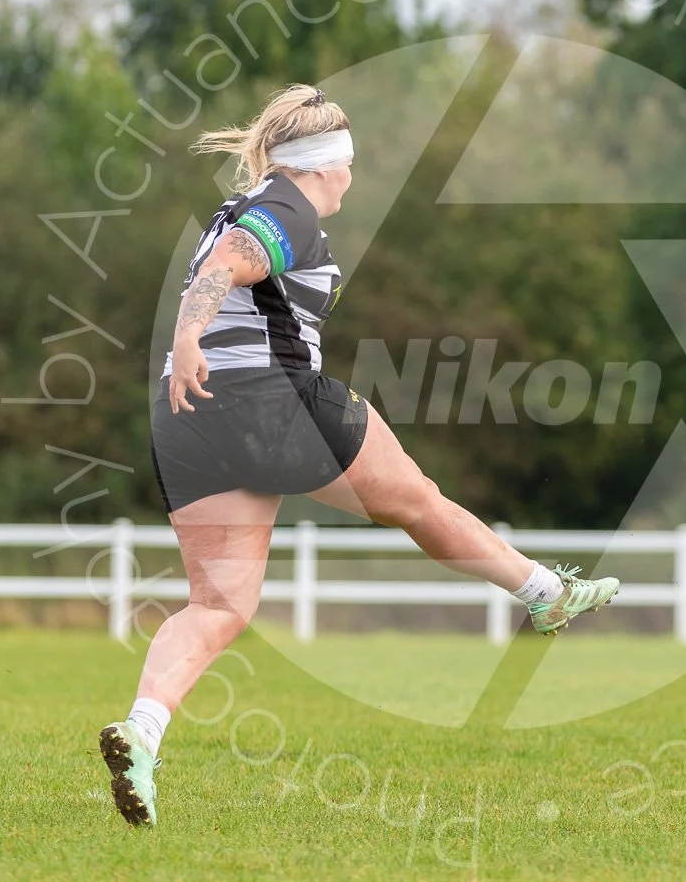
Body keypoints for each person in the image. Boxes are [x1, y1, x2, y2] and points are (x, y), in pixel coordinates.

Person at [97, 84, 621, 827]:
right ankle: (545, 594)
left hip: (188, 416)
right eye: (351, 163)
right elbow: (229, 270)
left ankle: (141, 733)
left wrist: (186, 346)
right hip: (268, 399)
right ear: (324, 166)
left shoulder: (247, 205)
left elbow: (223, 267)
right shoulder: (288, 210)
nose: (354, 176)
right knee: (418, 501)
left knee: (217, 606)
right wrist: (187, 333)